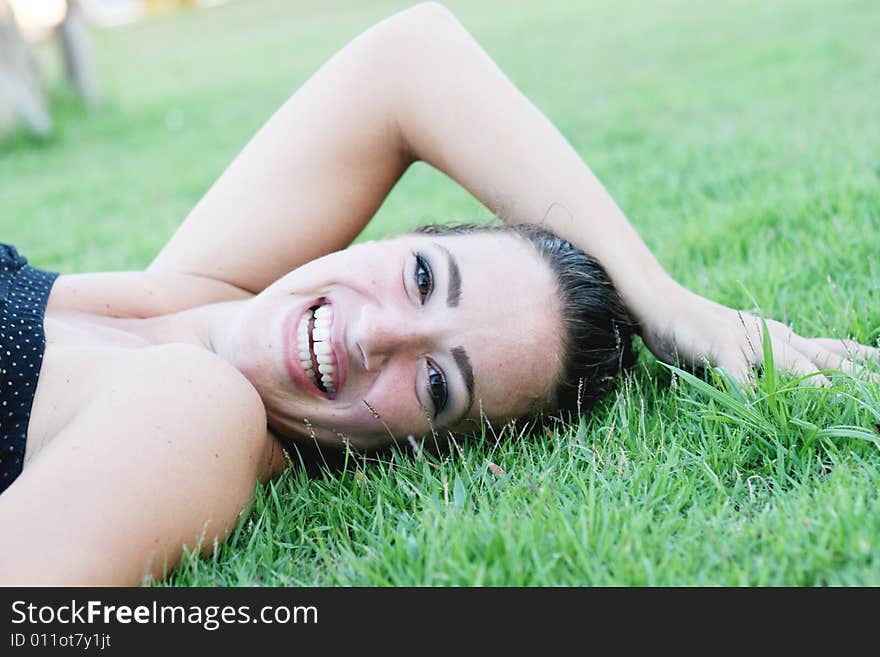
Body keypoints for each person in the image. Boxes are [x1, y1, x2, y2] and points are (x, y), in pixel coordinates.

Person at [0, 3, 875, 586]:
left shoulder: (198, 403)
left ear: (408, 451)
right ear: (390, 236)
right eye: (423, 277)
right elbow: (411, 57)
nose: (376, 334)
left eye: (436, 386)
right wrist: (668, 300)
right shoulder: (199, 293)